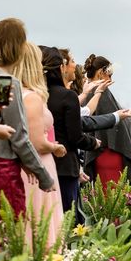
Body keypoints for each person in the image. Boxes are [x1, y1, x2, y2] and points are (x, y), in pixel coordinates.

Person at [0, 18, 55, 223]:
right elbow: (17, 135)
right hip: (1, 168)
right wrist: (43, 175)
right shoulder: (4, 83)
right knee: (8, 236)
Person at [11, 42, 66, 244]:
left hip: (16, 165)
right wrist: (56, 147)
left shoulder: (6, 89)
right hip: (37, 167)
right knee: (41, 225)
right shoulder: (31, 97)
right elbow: (36, 142)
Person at [42, 46, 101, 216]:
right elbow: (75, 137)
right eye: (71, 61)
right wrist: (94, 143)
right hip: (65, 166)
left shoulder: (40, 94)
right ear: (61, 67)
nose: (75, 65)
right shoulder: (67, 96)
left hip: (42, 165)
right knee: (69, 218)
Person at [81, 54, 131, 185]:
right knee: (113, 197)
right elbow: (113, 122)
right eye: (109, 75)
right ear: (100, 73)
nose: (111, 79)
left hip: (99, 152)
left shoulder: (87, 91)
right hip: (109, 154)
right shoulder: (101, 92)